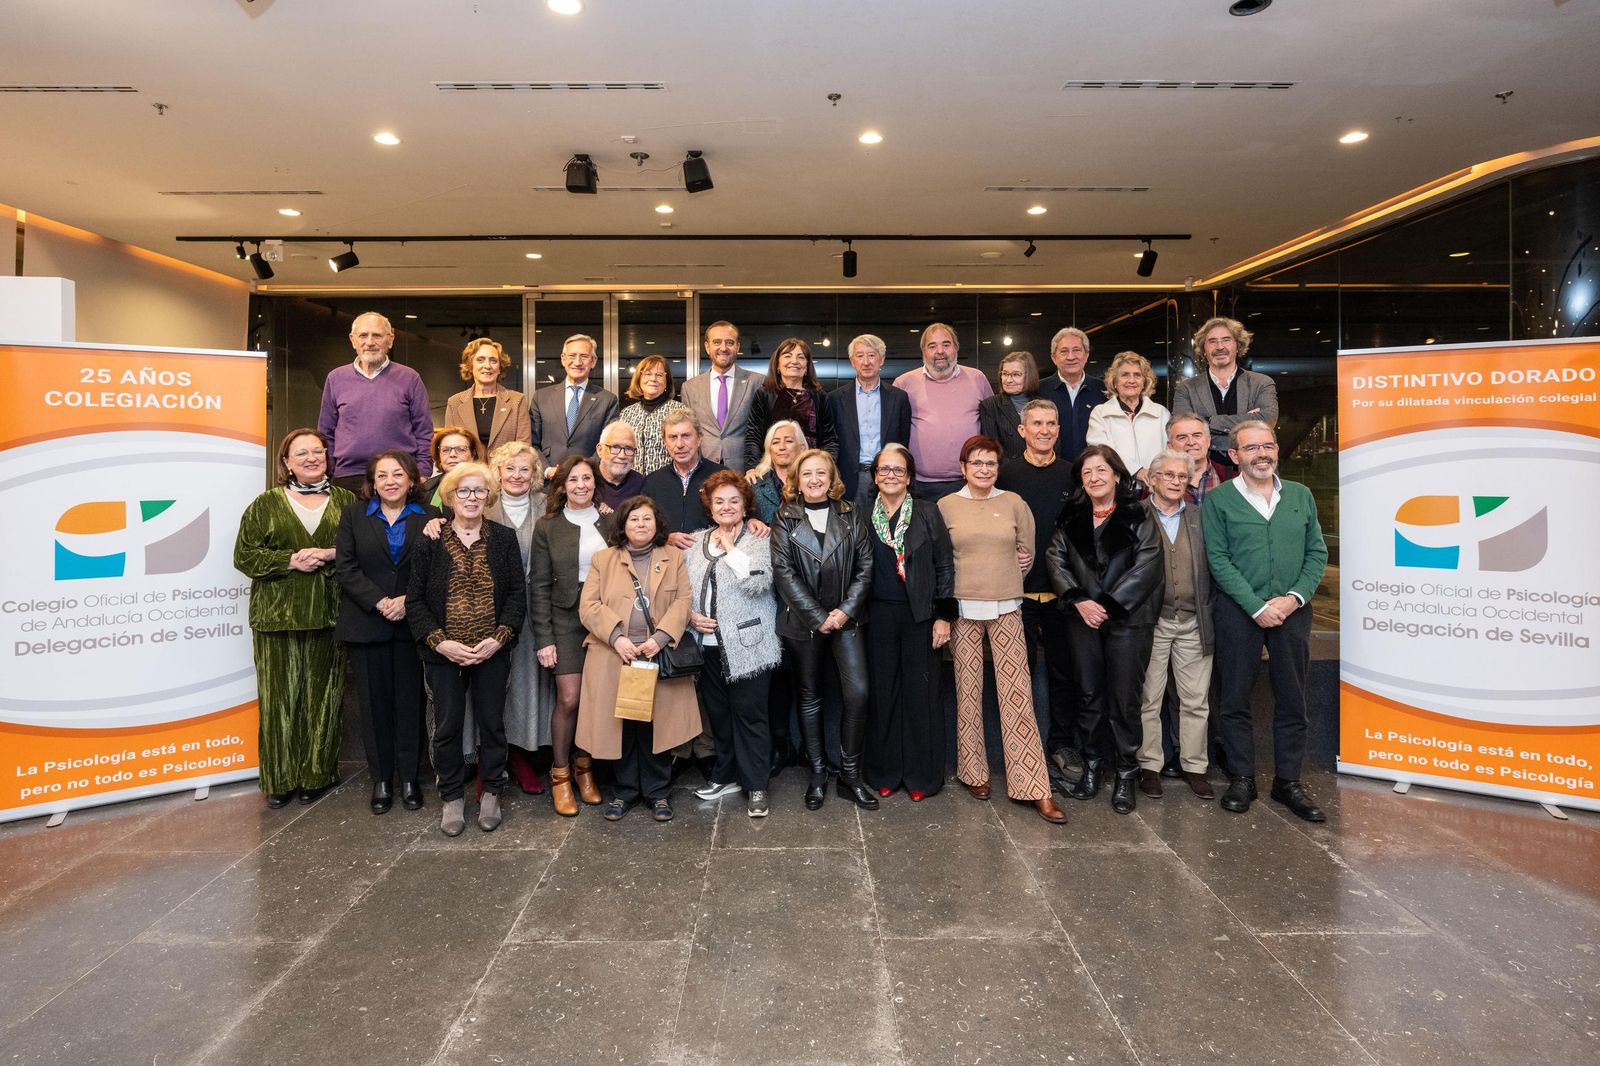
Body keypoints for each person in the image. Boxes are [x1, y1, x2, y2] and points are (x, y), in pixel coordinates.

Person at [1202, 420, 1328, 822]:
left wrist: (1293, 599)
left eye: (1268, 446)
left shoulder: (1301, 495)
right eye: (1252, 448)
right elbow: (1217, 559)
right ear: (1235, 456)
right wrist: (1256, 606)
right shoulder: (1219, 500)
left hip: (1292, 612)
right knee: (1235, 697)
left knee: (1293, 697)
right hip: (1239, 612)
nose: (1263, 454)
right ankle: (1242, 777)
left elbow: (1317, 553)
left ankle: (1288, 782)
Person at [938, 436, 1066, 825]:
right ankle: (973, 773)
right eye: (976, 463)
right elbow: (942, 561)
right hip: (962, 609)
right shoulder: (945, 506)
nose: (983, 469)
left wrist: (1005, 577)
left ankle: (1033, 785)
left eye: (990, 464)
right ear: (963, 467)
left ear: (998, 468)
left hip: (1008, 607)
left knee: (1017, 696)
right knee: (968, 692)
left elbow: (1025, 555)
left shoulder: (1014, 503)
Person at [234, 429, 356, 808]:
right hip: (276, 618)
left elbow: (362, 551)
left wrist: (332, 553)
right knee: (279, 700)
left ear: (327, 456)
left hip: (329, 614)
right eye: (300, 453)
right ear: (286, 461)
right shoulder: (264, 504)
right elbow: (244, 557)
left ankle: (316, 775)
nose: (310, 458)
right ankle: (280, 780)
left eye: (317, 451)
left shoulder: (347, 500)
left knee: (324, 698)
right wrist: (288, 560)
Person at [406, 461, 526, 836]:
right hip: (444, 653)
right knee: (447, 727)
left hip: (492, 649)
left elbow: (516, 598)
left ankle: (491, 792)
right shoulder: (430, 539)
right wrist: (442, 644)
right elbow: (416, 602)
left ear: (489, 497)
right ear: (450, 497)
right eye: (464, 491)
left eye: (479, 491)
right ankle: (452, 797)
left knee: (492, 724)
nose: (472, 498)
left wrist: (499, 638)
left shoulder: (504, 539)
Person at [1046, 444, 1164, 815]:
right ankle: (1093, 765)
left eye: (1101, 471)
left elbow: (1148, 565)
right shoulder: (1072, 515)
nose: (1094, 478)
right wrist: (1079, 599)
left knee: (1124, 699)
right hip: (1082, 619)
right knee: (1089, 696)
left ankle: (1127, 773)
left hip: (1127, 621)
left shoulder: (1138, 513)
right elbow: (1055, 558)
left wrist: (1109, 606)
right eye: (1087, 473)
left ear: (1116, 474)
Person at [575, 495, 699, 822]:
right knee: (624, 725)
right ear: (623, 525)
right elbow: (589, 607)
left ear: (657, 523)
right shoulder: (604, 559)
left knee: (656, 725)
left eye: (647, 519)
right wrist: (617, 638)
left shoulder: (673, 556)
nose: (641, 525)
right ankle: (626, 791)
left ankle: (658, 793)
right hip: (616, 656)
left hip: (655, 654)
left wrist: (660, 638)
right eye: (634, 519)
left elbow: (683, 601)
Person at [771, 449, 877, 811]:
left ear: (832, 479)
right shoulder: (784, 517)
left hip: (848, 620)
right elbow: (783, 573)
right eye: (807, 474)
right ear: (796, 481)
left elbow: (866, 565)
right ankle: (817, 775)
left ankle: (850, 775)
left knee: (859, 693)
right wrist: (819, 616)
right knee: (810, 696)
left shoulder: (851, 513)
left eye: (821, 473)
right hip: (803, 623)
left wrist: (844, 612)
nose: (814, 479)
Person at [334, 449, 437, 815]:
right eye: (382, 476)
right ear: (372, 482)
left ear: (411, 480)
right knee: (373, 706)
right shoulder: (353, 516)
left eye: (398, 474)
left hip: (412, 625)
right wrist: (380, 601)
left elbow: (437, 570)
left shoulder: (432, 516)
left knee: (410, 702)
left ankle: (409, 778)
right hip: (367, 623)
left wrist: (407, 600)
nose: (390, 481)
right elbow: (346, 568)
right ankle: (381, 780)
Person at [685, 472, 783, 817]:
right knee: (719, 715)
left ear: (745, 506)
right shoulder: (696, 542)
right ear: (709, 507)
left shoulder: (758, 538)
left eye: (734, 501)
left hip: (750, 644)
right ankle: (725, 775)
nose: (726, 507)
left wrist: (729, 548)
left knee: (750, 715)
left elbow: (757, 583)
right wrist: (690, 616)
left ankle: (756, 785)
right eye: (719, 501)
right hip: (707, 646)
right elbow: (682, 588)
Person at [863, 443, 955, 801]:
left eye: (898, 470)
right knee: (883, 695)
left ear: (910, 477)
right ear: (874, 477)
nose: (890, 476)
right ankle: (885, 771)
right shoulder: (862, 515)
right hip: (877, 617)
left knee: (922, 696)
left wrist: (944, 616)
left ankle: (921, 777)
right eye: (884, 470)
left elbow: (945, 565)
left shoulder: (928, 513)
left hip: (921, 615)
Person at [529, 454, 615, 816]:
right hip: (564, 619)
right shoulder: (547, 526)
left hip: (604, 618)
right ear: (562, 486)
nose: (582, 485)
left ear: (596, 483)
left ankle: (585, 771)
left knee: (595, 698)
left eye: (587, 479)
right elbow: (538, 586)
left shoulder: (612, 522)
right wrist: (544, 639)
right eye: (574, 480)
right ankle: (561, 775)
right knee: (569, 697)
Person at [996, 399, 1079, 766]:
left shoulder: (1072, 474)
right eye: (1037, 424)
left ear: (1058, 430)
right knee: (1019, 677)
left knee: (1064, 674)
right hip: (1018, 594)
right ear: (1022, 431)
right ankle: (1020, 748)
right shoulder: (1006, 475)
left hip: (1062, 594)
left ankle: (1061, 744)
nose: (1044, 430)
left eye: (1051, 423)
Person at [1137, 448, 1216, 800]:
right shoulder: (1135, 516)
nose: (1175, 481)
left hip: (1194, 620)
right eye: (1167, 475)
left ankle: (1194, 767)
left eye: (1181, 476)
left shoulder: (1202, 517)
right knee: (1148, 698)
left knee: (1195, 700)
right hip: (1151, 622)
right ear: (1152, 479)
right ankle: (1149, 766)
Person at [484, 440, 551, 797]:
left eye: (525, 468)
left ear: (535, 474)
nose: (517, 475)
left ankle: (522, 755)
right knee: (493, 684)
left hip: (537, 608)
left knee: (528, 684)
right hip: (489, 609)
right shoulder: (484, 505)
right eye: (509, 468)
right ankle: (490, 760)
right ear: (497, 472)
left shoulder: (548, 505)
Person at [318, 312, 433, 492]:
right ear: (353, 339)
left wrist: (423, 471)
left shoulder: (410, 378)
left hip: (398, 476)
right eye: (363, 335)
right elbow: (326, 432)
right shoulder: (336, 378)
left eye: (377, 335)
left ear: (390, 339)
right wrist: (330, 471)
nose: (370, 342)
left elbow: (424, 431)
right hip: (348, 477)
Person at [893, 323, 992, 500]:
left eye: (946, 344)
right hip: (920, 486)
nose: (940, 351)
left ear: (956, 348)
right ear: (923, 350)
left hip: (969, 481)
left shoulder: (978, 379)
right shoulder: (904, 383)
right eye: (932, 346)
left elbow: (991, 428)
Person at [1172, 316, 1279, 463]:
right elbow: (1183, 429)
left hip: (1253, 466)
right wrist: (1247, 420)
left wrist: (1206, 421)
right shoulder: (1186, 388)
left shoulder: (1261, 383)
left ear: (1238, 346)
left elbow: (1267, 419)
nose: (1220, 347)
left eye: (1226, 340)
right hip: (1204, 470)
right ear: (1204, 349)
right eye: (1212, 341)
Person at [827, 334, 912, 508]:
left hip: (888, 476)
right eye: (860, 356)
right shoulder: (835, 399)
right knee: (850, 530)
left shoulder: (898, 398)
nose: (866, 362)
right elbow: (831, 440)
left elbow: (904, 441)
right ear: (852, 361)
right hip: (848, 477)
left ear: (882, 360)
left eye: (872, 355)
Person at [532, 333, 620, 480]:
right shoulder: (541, 397)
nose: (577, 362)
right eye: (572, 356)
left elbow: (608, 445)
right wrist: (547, 470)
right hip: (549, 484)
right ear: (563, 359)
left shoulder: (607, 400)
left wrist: (583, 471)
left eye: (584, 356)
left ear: (593, 361)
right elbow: (532, 442)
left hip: (589, 483)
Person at [742, 337, 838, 471]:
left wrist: (827, 467)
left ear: (806, 367)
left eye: (801, 357)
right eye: (787, 356)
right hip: (772, 470)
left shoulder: (819, 396)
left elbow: (829, 439)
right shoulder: (765, 394)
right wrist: (752, 468)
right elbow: (754, 435)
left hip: (809, 470)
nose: (794, 361)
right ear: (777, 365)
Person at [681, 320, 762, 472]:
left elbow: (761, 430)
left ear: (737, 346)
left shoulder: (757, 383)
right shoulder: (690, 387)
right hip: (702, 469)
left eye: (729, 342)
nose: (723, 348)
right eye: (717, 342)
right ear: (707, 347)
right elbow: (689, 432)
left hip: (745, 471)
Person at [643, 409, 725, 549]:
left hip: (710, 560)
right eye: (673, 437)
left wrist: (753, 520)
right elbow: (641, 528)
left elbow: (744, 516)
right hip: (665, 562)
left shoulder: (722, 477)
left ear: (699, 438)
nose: (679, 444)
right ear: (665, 441)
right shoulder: (652, 482)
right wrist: (664, 539)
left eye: (686, 436)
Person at [1086, 351, 1170, 484]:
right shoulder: (1100, 413)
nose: (1131, 380)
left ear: (1144, 382)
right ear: (1114, 382)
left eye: (1137, 375)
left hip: (1155, 486)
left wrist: (1157, 476)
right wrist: (1137, 471)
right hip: (1117, 487)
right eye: (1125, 375)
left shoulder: (1161, 413)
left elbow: (1169, 451)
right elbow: (1103, 451)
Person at [444, 337, 532, 456]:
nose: (487, 366)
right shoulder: (454, 403)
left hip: (505, 472)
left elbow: (524, 448)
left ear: (500, 368)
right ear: (470, 366)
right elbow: (449, 446)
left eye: (493, 361)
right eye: (480, 360)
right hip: (467, 472)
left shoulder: (517, 401)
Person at [1037, 327, 1104, 461]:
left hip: (1094, 471)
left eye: (1077, 350)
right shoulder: (1038, 390)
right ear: (1053, 358)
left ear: (1086, 355)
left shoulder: (1104, 390)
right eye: (1064, 351)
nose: (1071, 357)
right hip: (1051, 469)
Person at [618, 354, 691, 476]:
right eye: (647, 374)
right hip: (632, 484)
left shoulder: (679, 411)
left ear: (666, 381)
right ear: (639, 378)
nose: (653, 379)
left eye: (659, 375)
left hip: (667, 482)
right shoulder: (626, 413)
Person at [978, 351, 1040, 461]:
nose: (1008, 380)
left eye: (1016, 374)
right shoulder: (990, 405)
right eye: (1005, 374)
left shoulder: (1043, 404)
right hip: (1008, 471)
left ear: (1029, 376)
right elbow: (992, 449)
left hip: (1041, 468)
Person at [1166, 412, 1236, 506]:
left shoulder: (1234, 478)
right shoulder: (1157, 481)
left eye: (1197, 435)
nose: (1191, 442)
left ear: (1208, 441)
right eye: (1182, 438)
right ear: (1170, 446)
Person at [749, 419, 803, 524]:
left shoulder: (812, 482)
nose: (782, 447)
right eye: (775, 442)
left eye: (789, 441)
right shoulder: (754, 483)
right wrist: (751, 521)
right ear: (769, 449)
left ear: (801, 447)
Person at [421, 427, 484, 510]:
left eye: (461, 449)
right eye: (445, 450)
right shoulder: (425, 490)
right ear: (439, 456)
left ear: (473, 454)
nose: (452, 454)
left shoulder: (486, 486)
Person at [594, 421, 646, 512]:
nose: (622, 456)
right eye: (615, 447)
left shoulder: (642, 485)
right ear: (600, 450)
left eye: (629, 449)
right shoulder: (586, 482)